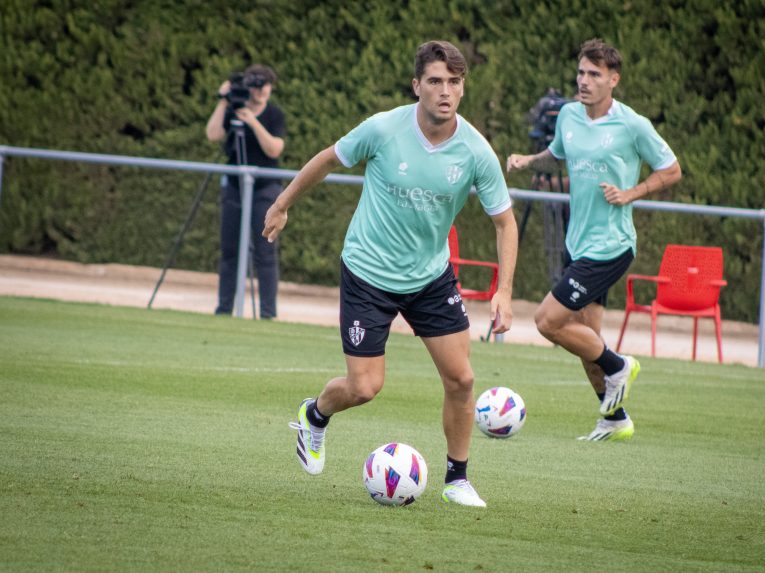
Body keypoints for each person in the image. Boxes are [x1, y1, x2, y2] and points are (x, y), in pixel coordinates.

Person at [262, 41, 518, 507]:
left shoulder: (477, 151)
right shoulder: (383, 129)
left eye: (454, 83)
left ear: (463, 88)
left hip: (430, 278)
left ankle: (457, 479)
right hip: (368, 272)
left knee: (461, 380)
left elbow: (505, 221)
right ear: (417, 85)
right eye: (436, 81)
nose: (445, 91)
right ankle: (315, 415)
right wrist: (281, 205)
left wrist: (504, 291)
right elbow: (326, 160)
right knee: (364, 387)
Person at [507, 38, 682, 442]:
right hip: (577, 242)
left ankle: (619, 366)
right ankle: (615, 419)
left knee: (548, 321)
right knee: (587, 344)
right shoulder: (569, 114)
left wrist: (630, 193)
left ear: (613, 80)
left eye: (594, 75)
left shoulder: (631, 124)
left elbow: (671, 170)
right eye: (581, 73)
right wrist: (527, 160)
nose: (584, 81)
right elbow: (557, 153)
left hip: (611, 246)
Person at [206, 64, 285, 319]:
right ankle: (224, 308)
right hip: (234, 186)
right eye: (256, 86)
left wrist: (252, 122)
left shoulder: (274, 114)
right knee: (230, 250)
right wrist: (222, 101)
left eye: (265, 86)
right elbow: (213, 134)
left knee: (264, 251)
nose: (260, 91)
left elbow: (274, 149)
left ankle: (267, 313)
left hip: (264, 187)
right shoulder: (234, 109)